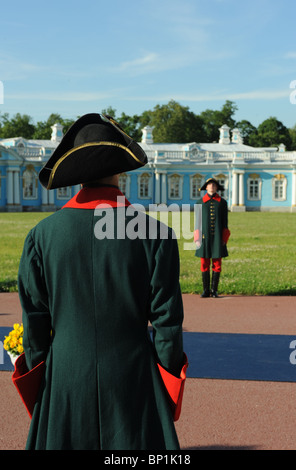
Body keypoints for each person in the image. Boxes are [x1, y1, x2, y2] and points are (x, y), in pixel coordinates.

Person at [16, 113, 187, 450]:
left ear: (76, 176)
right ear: (120, 172)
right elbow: (168, 325)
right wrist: (166, 384)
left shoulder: (40, 237)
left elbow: (35, 325)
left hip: (65, 375)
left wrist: (43, 380)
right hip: (134, 375)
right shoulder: (157, 234)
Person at [194, 178, 230, 298]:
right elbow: (197, 222)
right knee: (204, 263)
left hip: (217, 237)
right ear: (206, 187)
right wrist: (197, 237)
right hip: (204, 237)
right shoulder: (200, 203)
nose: (212, 187)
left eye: (214, 185)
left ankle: (214, 290)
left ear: (217, 188)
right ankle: (205, 290)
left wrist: (224, 238)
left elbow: (225, 222)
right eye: (209, 185)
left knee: (217, 263)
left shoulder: (222, 203)